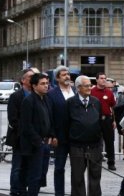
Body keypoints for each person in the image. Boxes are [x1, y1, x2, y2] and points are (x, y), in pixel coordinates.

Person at [66, 75, 103, 196]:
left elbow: (100, 122)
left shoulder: (96, 102)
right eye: (86, 86)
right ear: (78, 88)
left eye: (90, 85)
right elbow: (65, 124)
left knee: (95, 176)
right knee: (77, 178)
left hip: (95, 146)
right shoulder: (70, 103)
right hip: (77, 146)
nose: (90, 88)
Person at [19, 73, 53, 196]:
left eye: (47, 83)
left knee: (41, 175)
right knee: (34, 176)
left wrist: (51, 137)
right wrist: (39, 142)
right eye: (42, 84)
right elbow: (26, 125)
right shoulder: (28, 101)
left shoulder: (47, 99)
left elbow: (50, 119)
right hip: (34, 146)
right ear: (34, 86)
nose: (46, 86)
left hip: (45, 144)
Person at [6, 68, 36, 196]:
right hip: (19, 139)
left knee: (29, 167)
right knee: (17, 167)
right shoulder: (15, 96)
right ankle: (14, 191)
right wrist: (26, 132)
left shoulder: (37, 95)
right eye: (30, 77)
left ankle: (24, 190)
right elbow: (13, 119)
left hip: (34, 139)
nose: (32, 79)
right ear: (23, 80)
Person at [46, 66, 75, 196]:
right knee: (59, 168)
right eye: (63, 75)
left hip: (76, 137)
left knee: (77, 169)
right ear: (57, 78)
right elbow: (49, 116)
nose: (67, 76)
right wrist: (52, 135)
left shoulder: (76, 91)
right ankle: (59, 193)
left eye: (68, 74)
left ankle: (77, 192)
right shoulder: (52, 94)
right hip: (60, 137)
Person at [90, 72, 117, 170]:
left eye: (105, 78)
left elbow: (112, 107)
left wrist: (114, 120)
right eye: (101, 78)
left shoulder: (109, 92)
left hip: (107, 119)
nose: (103, 80)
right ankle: (95, 160)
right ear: (97, 80)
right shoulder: (91, 91)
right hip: (95, 120)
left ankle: (111, 162)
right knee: (95, 141)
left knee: (109, 141)